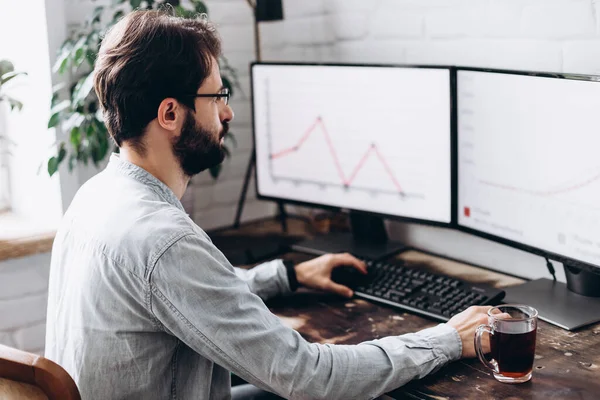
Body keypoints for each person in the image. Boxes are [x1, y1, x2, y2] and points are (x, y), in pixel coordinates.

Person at [45, 10, 492, 400]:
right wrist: (450, 338)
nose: (228, 113)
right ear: (169, 114)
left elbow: (183, 293)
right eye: (216, 96)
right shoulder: (163, 240)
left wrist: (288, 275)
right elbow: (311, 378)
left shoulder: (96, 198)